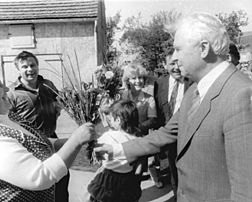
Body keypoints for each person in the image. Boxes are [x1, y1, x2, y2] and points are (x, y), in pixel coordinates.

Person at [95, 13, 252, 201]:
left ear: (203, 48)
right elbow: (166, 134)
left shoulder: (241, 96)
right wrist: (117, 149)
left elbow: (246, 190)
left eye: (178, 49)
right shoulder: (195, 90)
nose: (174, 58)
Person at [0, 64, 95, 202]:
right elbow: (41, 177)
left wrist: (76, 141)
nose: (7, 88)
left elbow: (38, 143)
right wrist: (76, 140)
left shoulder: (7, 116)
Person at [7, 51, 70, 202]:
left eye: (32, 65)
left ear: (37, 66)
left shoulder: (47, 85)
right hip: (30, 144)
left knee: (62, 177)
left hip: (52, 138)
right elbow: (8, 122)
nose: (30, 69)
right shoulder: (12, 93)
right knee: (40, 183)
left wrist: (57, 108)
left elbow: (60, 102)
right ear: (18, 69)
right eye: (25, 66)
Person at [152, 50, 192, 196]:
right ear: (164, 65)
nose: (176, 67)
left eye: (178, 63)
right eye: (172, 63)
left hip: (188, 135)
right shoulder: (160, 83)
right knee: (173, 171)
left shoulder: (192, 81)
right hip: (168, 137)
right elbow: (157, 109)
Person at [87, 100, 142, 202]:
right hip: (128, 177)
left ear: (118, 120)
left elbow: (96, 151)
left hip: (108, 177)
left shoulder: (109, 136)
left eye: (112, 118)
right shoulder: (137, 140)